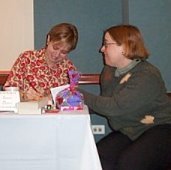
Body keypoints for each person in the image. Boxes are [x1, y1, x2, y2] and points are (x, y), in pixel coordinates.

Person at [79, 24, 171, 170]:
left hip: (161, 129)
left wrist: (79, 94)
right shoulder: (109, 71)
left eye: (106, 44)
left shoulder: (146, 75)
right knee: (97, 159)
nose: (102, 49)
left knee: (129, 164)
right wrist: (75, 105)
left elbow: (115, 107)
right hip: (131, 130)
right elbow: (105, 102)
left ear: (124, 47)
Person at [4, 23, 78, 101]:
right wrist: (23, 95)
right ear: (48, 39)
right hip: (26, 111)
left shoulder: (69, 69)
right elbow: (9, 91)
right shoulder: (26, 59)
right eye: (55, 48)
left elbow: (70, 100)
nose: (56, 55)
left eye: (63, 52)